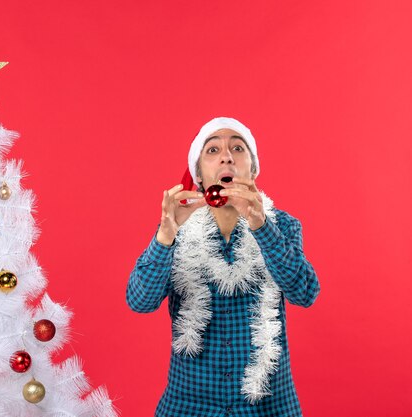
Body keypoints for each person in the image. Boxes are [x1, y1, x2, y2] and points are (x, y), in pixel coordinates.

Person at [126, 117, 320, 416]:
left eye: (238, 148)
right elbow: (140, 301)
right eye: (212, 150)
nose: (227, 155)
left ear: (252, 169)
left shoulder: (282, 226)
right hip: (187, 406)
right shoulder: (177, 229)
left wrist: (261, 225)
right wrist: (166, 235)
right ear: (199, 175)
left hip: (269, 406)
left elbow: (305, 293)